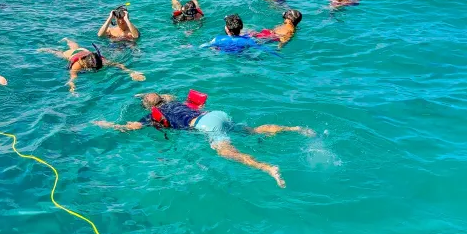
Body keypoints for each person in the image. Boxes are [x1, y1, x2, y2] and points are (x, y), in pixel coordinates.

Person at [94, 91, 316, 188]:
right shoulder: (175, 102)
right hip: (216, 114)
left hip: (206, 125)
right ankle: (295, 128)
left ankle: (267, 168)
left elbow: (129, 128)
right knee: (253, 130)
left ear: (150, 108)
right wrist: (146, 94)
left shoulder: (152, 115)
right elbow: (163, 96)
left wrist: (108, 125)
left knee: (227, 152)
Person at [39, 38, 145, 93]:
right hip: (73, 55)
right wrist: (72, 87)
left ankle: (67, 40)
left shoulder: (101, 60)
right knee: (60, 53)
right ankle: (47, 49)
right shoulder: (77, 65)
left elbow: (117, 64)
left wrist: (131, 72)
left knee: (75, 47)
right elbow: (73, 77)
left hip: (84, 51)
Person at [201, 14, 265, 53]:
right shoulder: (248, 40)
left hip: (225, 55)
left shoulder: (218, 39)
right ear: (241, 28)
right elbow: (264, 48)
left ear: (227, 28)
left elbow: (202, 47)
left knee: (213, 49)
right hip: (241, 55)